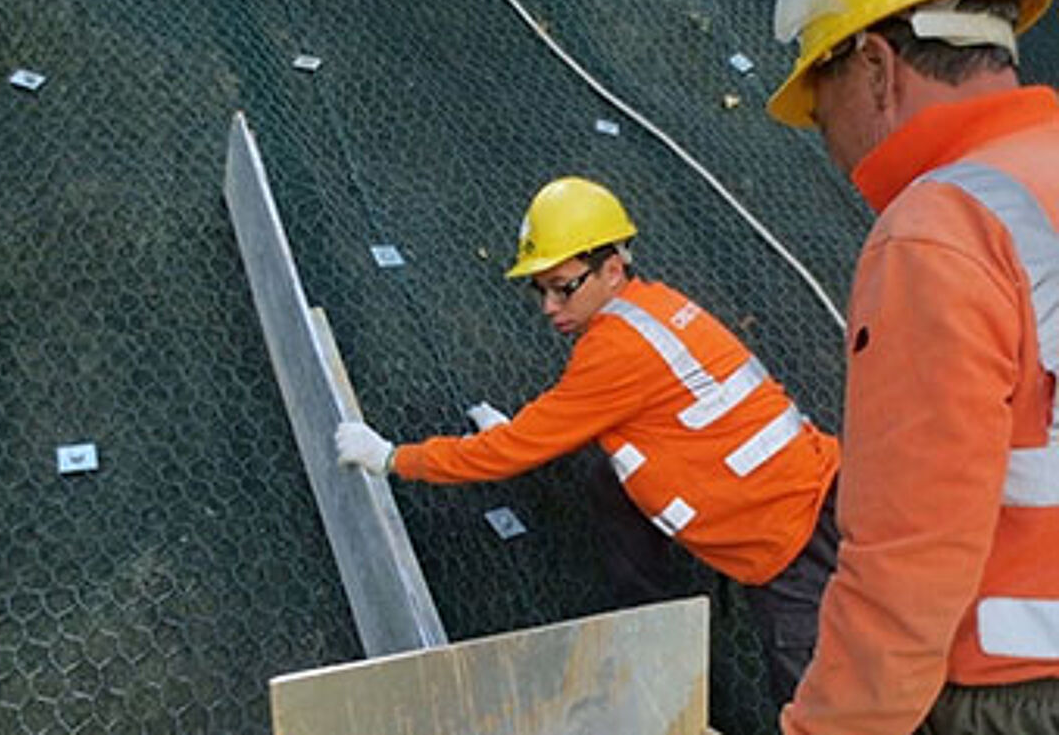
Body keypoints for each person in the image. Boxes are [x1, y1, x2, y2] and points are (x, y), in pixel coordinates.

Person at [336, 176, 840, 711]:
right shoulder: (656, 307)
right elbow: (591, 411)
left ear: (613, 269)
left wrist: (393, 458)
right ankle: (654, 626)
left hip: (789, 546)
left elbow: (513, 450)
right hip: (820, 493)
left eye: (563, 286)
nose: (549, 306)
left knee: (822, 706)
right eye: (540, 289)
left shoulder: (617, 351)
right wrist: (526, 431)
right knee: (610, 476)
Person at [766, 0, 1059, 732]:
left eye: (822, 109)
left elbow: (906, 563)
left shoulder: (941, 229)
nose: (832, 147)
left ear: (874, 67)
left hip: (1016, 689)